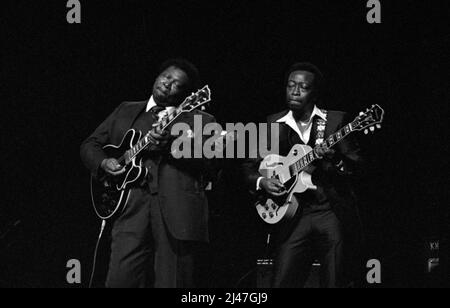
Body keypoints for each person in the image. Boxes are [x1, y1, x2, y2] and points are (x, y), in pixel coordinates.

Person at [80, 58, 216, 288]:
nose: (167, 83)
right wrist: (104, 163)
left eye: (177, 84)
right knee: (120, 279)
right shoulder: (126, 109)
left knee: (171, 281)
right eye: (166, 77)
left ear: (187, 95)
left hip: (176, 209)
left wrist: (170, 146)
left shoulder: (201, 120)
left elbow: (211, 164)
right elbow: (90, 145)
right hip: (130, 205)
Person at [243, 62, 365, 288]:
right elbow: (249, 167)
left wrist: (335, 158)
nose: (295, 91)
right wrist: (263, 182)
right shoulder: (272, 123)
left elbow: (356, 167)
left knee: (334, 281)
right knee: (281, 282)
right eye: (290, 85)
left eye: (303, 87)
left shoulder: (335, 121)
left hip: (329, 212)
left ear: (315, 93)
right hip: (292, 216)